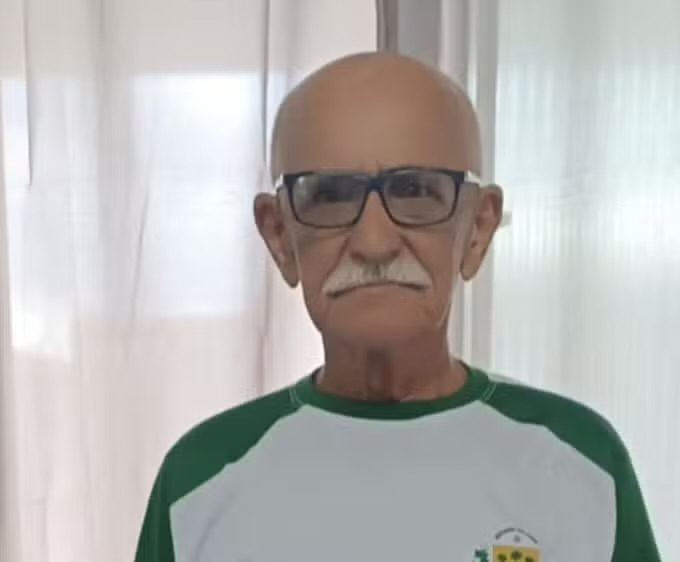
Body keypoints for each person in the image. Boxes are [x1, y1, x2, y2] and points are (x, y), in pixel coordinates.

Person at [134, 52, 660, 562]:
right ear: (279, 236)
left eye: (415, 190)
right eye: (329, 195)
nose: (374, 242)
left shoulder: (580, 467)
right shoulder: (199, 482)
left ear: (478, 228)